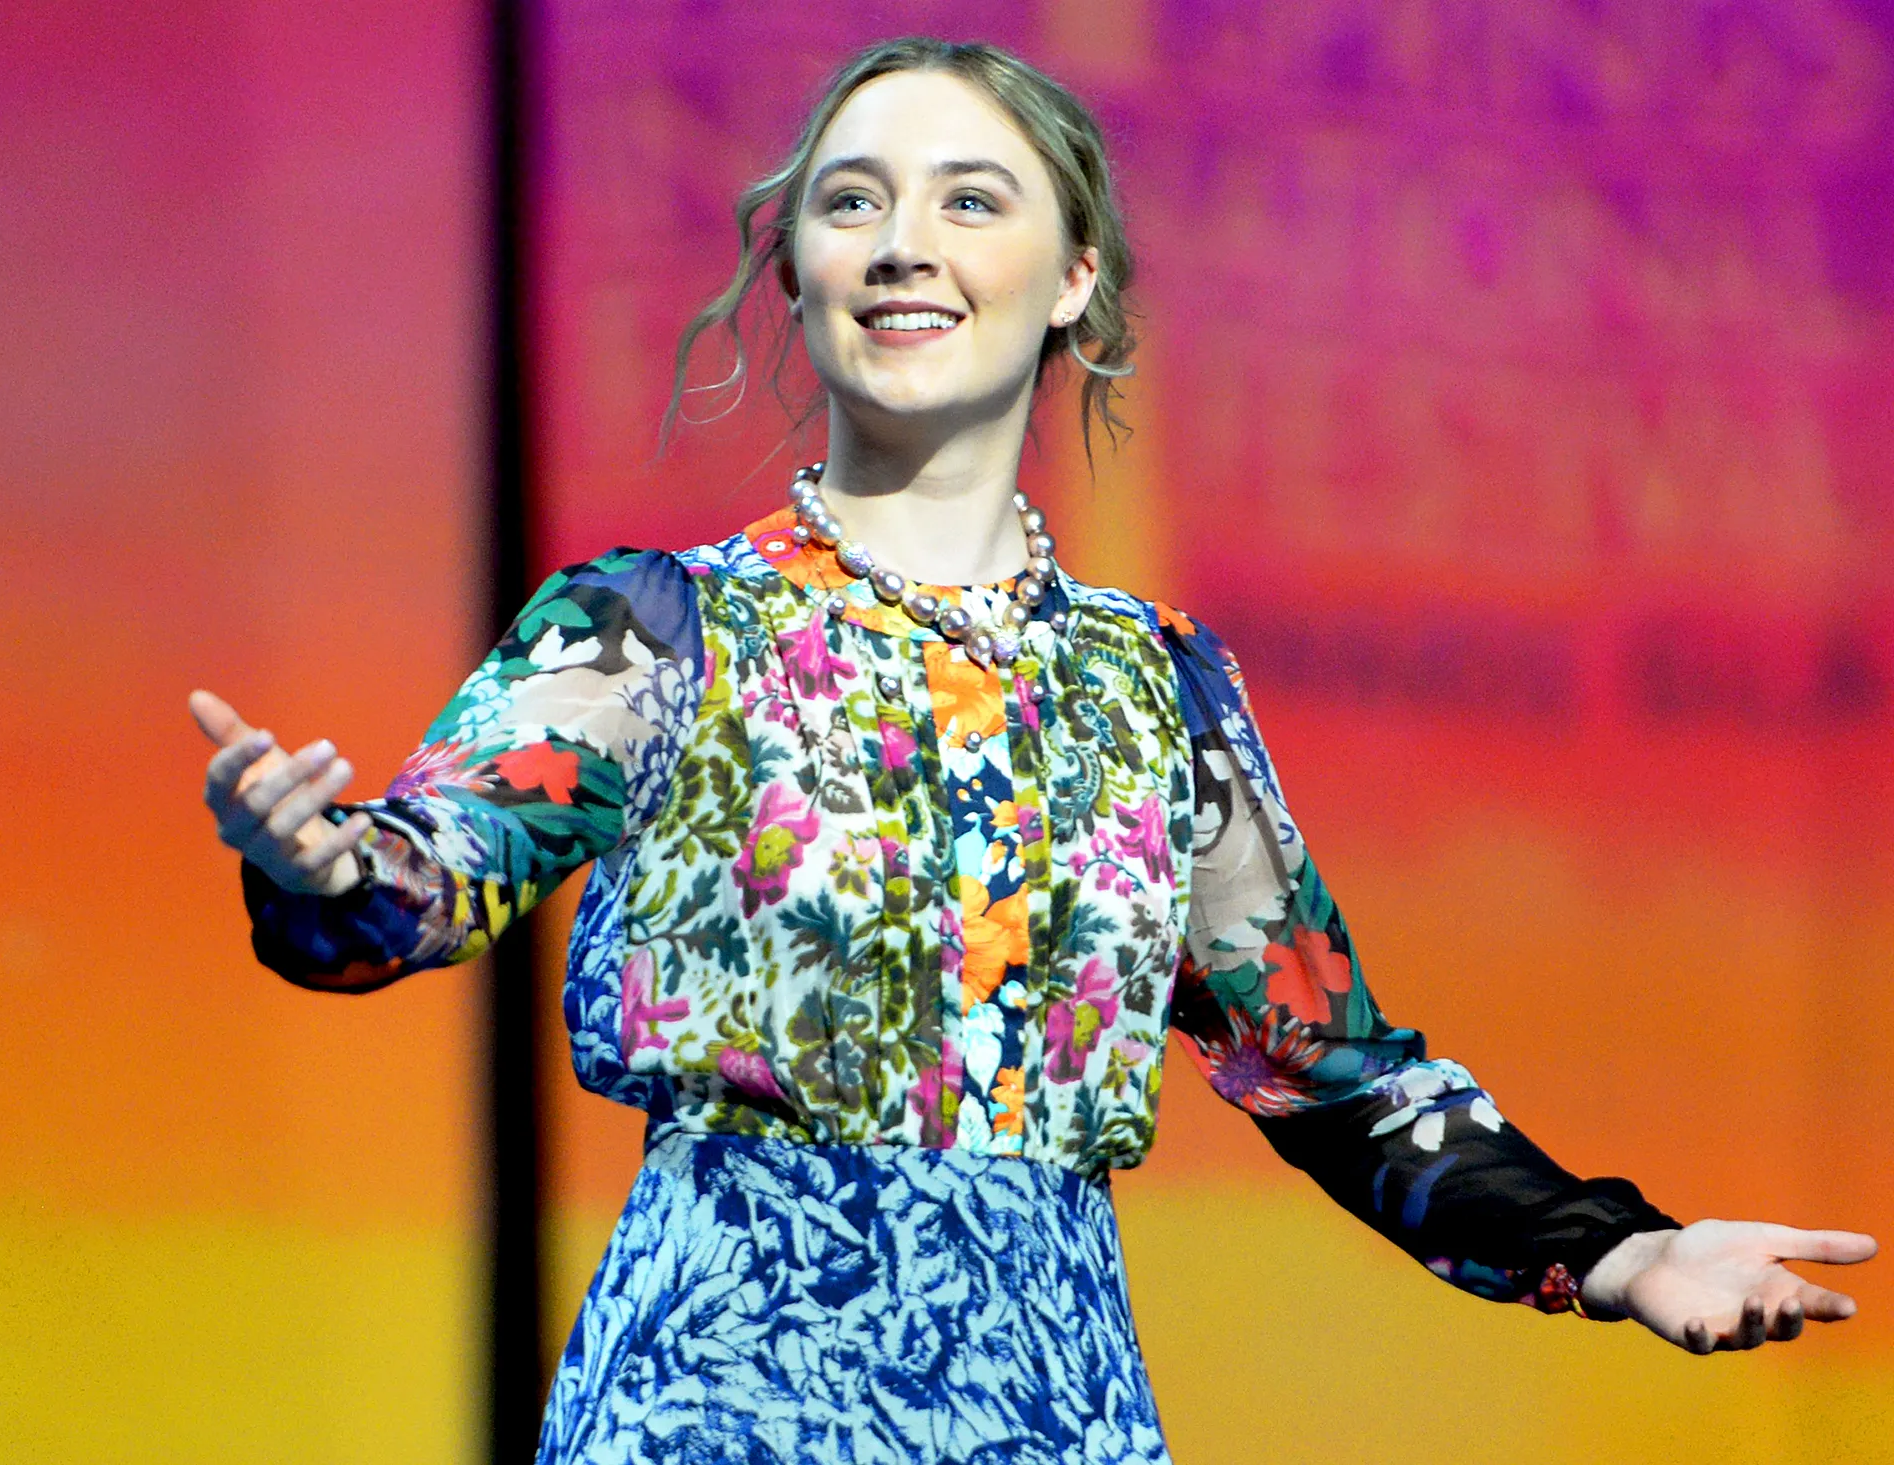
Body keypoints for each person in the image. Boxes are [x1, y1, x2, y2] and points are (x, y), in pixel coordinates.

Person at [190, 36, 1875, 1465]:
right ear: (800, 272)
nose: (901, 243)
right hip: (719, 1397)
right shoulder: (654, 629)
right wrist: (322, 865)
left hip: (1051, 1403)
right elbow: (413, 885)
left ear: (1076, 278)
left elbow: (1338, 1079)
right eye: (852, 203)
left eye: (967, 201)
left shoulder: (1151, 692)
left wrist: (1629, 1250)